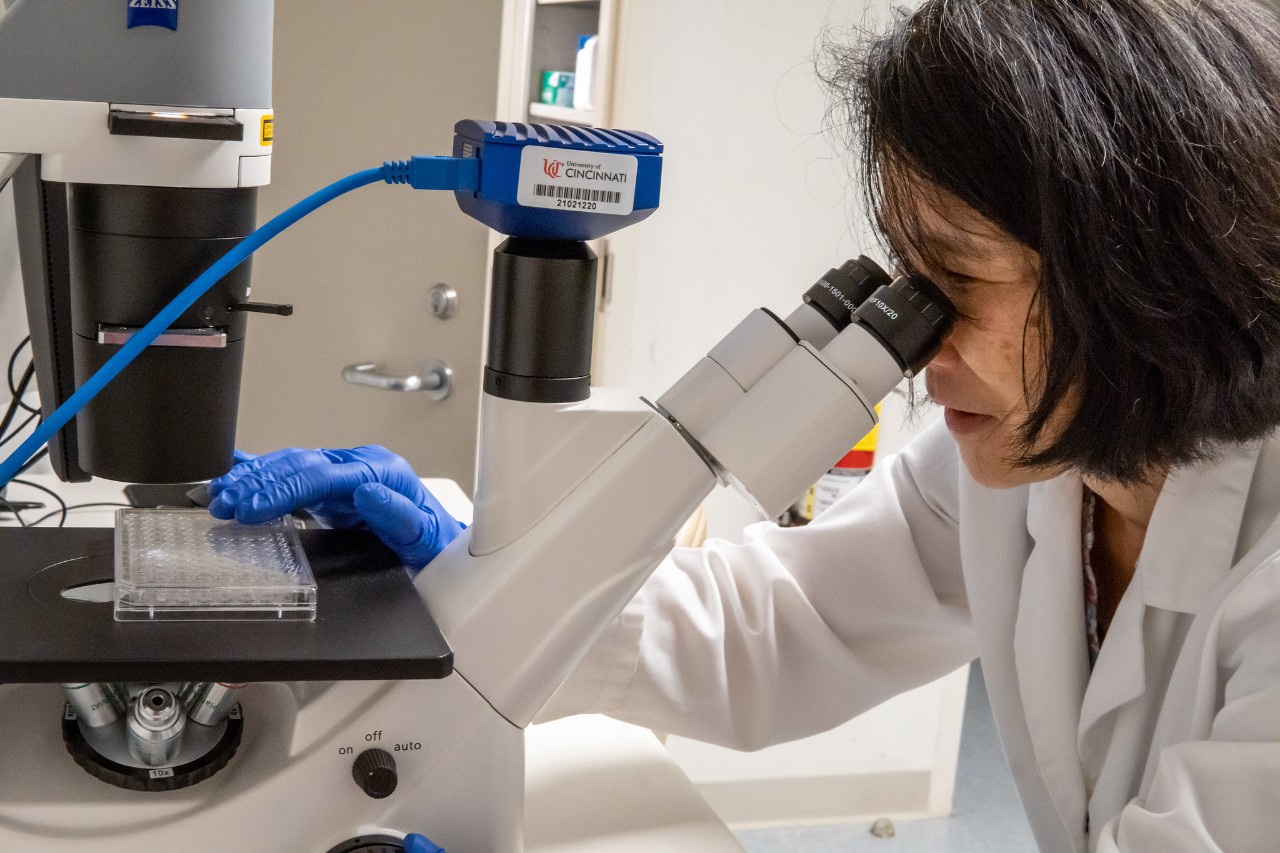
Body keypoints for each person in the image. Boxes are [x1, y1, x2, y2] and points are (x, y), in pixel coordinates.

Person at [208, 1, 1280, 849]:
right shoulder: (1024, 468)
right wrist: (485, 570)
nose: (914, 347)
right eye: (906, 283)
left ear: (1148, 277)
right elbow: (779, 620)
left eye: (956, 280)